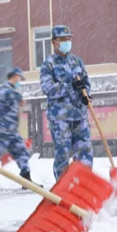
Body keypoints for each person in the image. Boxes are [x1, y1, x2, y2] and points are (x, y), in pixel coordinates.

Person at [39, 25, 93, 179]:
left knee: (85, 152)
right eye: (63, 39)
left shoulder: (77, 62)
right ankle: (63, 187)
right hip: (60, 118)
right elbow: (48, 88)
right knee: (63, 154)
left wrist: (86, 95)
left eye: (69, 39)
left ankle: (83, 184)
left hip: (79, 115)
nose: (67, 42)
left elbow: (85, 82)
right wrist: (69, 87)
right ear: (54, 42)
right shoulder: (48, 65)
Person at [0, 67, 36, 186]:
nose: (20, 81)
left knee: (22, 152)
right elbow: (5, 95)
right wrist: (18, 97)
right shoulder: (4, 89)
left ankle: (26, 178)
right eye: (19, 78)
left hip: (12, 131)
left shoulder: (13, 91)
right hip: (1, 131)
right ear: (14, 76)